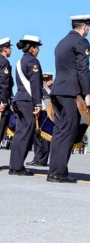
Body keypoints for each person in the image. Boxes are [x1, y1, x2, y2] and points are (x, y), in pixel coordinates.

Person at [48, 15, 90, 184]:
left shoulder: (61, 42)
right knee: (68, 131)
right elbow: (83, 69)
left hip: (58, 90)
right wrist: (87, 95)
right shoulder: (81, 42)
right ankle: (59, 172)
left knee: (59, 132)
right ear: (85, 26)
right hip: (70, 92)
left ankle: (55, 170)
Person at [9, 35, 43, 176]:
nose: (38, 50)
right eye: (38, 48)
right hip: (28, 100)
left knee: (20, 133)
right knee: (25, 134)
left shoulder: (19, 61)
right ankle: (17, 167)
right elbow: (35, 85)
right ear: (33, 48)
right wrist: (38, 104)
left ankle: (14, 165)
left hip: (19, 99)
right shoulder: (33, 62)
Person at [26, 72, 53, 166]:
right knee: (37, 138)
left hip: (48, 116)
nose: (45, 82)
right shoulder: (40, 89)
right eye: (43, 80)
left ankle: (42, 160)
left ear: (51, 80)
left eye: (47, 80)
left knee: (45, 139)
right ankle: (36, 158)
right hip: (40, 114)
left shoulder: (53, 89)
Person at [0, 38, 14, 145]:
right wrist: (4, 102)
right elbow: (4, 83)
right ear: (5, 49)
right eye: (10, 48)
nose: (11, 50)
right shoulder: (4, 62)